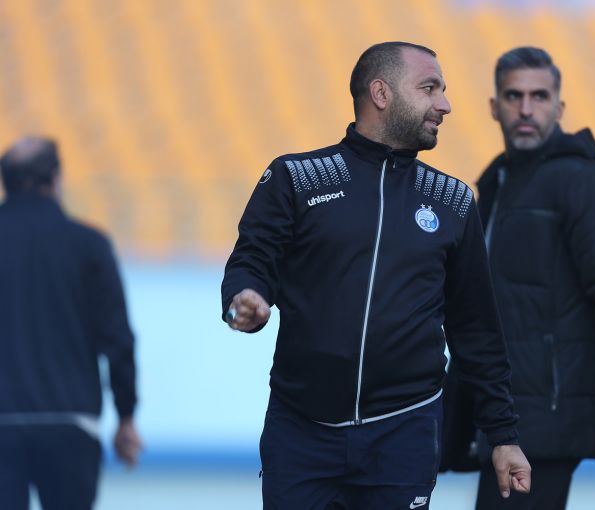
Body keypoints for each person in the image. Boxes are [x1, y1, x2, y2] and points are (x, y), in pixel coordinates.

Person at [221, 41, 531, 510]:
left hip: (404, 434)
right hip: (301, 431)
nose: (445, 104)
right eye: (429, 88)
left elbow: (477, 330)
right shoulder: (296, 178)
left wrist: (503, 436)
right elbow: (252, 261)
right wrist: (244, 297)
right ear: (381, 93)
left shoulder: (452, 201)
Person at [466, 46, 595, 509]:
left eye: (539, 96)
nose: (526, 109)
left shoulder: (587, 180)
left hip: (546, 420)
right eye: (514, 96)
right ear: (494, 107)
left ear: (560, 106)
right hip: (504, 417)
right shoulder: (496, 182)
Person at [0, 137, 142, 510]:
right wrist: (126, 416)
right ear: (56, 179)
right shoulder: (89, 244)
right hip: (71, 422)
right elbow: (118, 338)